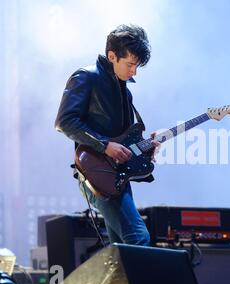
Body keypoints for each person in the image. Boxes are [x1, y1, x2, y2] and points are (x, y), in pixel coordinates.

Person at [55, 24, 159, 246]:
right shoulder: (86, 77)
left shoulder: (126, 93)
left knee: (120, 250)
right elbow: (65, 121)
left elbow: (125, 141)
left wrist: (146, 149)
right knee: (138, 238)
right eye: (130, 64)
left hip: (117, 175)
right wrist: (104, 145)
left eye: (137, 66)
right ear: (112, 56)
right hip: (95, 173)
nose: (134, 72)